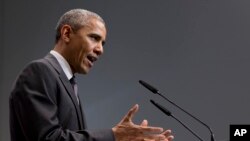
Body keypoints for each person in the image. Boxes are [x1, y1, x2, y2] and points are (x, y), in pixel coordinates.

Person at [9, 8, 174, 141]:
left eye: (103, 43)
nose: (100, 49)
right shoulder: (40, 72)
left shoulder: (69, 83)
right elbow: (48, 138)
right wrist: (113, 135)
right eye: (94, 38)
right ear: (66, 33)